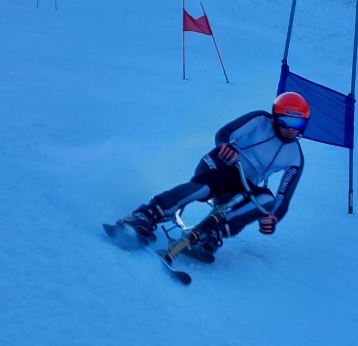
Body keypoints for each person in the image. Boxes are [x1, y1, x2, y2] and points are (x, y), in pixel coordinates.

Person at [117, 91, 310, 254]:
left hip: (243, 183)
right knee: (204, 188)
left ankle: (209, 233)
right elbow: (225, 132)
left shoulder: (295, 158)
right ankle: (145, 214)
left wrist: (273, 218)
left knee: (267, 200)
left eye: (298, 124)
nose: (291, 130)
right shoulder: (260, 120)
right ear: (275, 117)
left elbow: (283, 199)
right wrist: (225, 145)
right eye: (285, 121)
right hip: (224, 162)